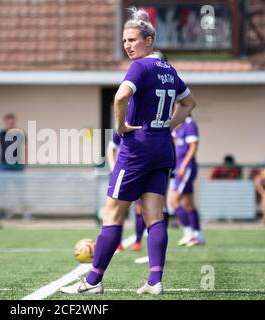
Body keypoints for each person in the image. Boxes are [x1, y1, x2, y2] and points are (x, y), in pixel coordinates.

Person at [60, 8, 196, 295]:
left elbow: (121, 96)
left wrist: (121, 126)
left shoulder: (141, 67)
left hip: (137, 150)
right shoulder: (169, 70)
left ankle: (93, 282)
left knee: (112, 214)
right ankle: (154, 281)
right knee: (153, 215)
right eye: (124, 41)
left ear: (149, 39)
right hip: (161, 148)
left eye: (133, 39)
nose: (128, 45)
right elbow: (189, 103)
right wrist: (168, 126)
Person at [0, 113, 29, 221]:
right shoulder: (1, 133)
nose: (10, 124)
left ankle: (26, 214)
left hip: (17, 166)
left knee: (21, 191)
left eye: (12, 122)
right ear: (5, 122)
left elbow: (26, 148)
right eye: (8, 122)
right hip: (4, 166)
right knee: (0, 191)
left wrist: (25, 163)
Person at [170, 109, 205, 247]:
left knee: (174, 201)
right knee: (188, 203)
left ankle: (189, 233)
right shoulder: (178, 125)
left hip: (186, 168)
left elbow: (193, 147)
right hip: (180, 168)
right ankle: (198, 236)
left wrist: (184, 165)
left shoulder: (190, 124)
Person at [107, 131, 145, 252]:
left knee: (139, 208)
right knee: (119, 210)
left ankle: (138, 241)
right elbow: (111, 149)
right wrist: (114, 169)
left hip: (141, 172)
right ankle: (117, 242)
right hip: (124, 173)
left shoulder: (146, 127)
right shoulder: (122, 127)